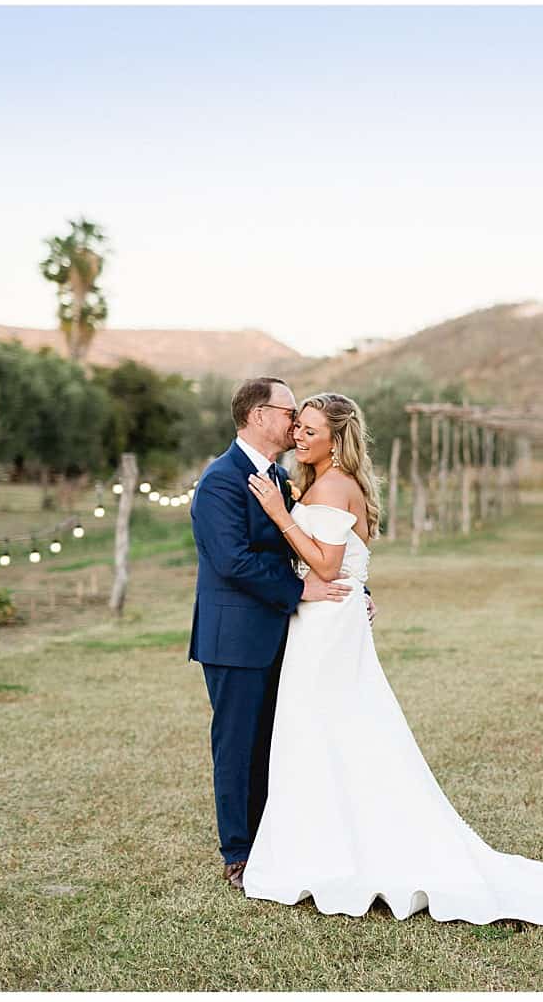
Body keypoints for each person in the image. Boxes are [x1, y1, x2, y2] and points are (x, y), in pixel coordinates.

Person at [240, 392, 543, 927]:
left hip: (326, 626)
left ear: (336, 437)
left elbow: (326, 567)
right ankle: (328, 841)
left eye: (309, 429)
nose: (298, 436)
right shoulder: (330, 483)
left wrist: (281, 516)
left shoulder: (330, 485)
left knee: (323, 725)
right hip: (330, 623)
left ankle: (326, 851)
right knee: (333, 727)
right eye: (297, 426)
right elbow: (348, 563)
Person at [188, 377, 372, 891]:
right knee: (238, 744)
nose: (295, 423)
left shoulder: (282, 475)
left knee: (278, 742)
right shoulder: (221, 480)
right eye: (289, 412)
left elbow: (325, 542)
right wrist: (302, 593)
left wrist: (357, 587)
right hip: (236, 636)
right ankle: (239, 853)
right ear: (258, 415)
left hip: (287, 634)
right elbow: (232, 561)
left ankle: (276, 839)